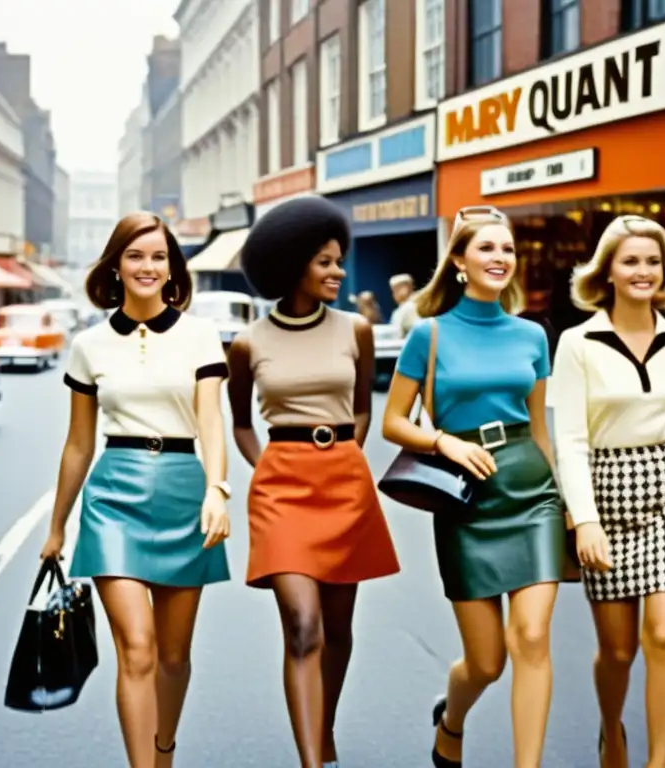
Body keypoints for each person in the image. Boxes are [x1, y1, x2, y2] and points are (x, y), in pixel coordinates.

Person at [39, 212, 231, 768]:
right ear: (116, 266)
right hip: (113, 500)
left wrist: (217, 489)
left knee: (174, 657)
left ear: (172, 268)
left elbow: (212, 424)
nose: (148, 267)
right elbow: (78, 445)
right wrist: (57, 526)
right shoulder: (89, 345)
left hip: (184, 493)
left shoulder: (200, 335)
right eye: (136, 256)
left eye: (159, 257)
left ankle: (163, 750)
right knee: (138, 649)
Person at [382, 206, 565, 768]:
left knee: (531, 637)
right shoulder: (429, 335)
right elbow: (394, 421)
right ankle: (452, 719)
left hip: (532, 494)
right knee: (486, 662)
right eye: (486, 248)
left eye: (507, 249)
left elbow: (541, 430)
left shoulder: (533, 334)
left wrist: (570, 505)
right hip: (465, 497)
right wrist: (445, 443)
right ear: (459, 261)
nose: (500, 258)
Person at [227, 196, 400, 768]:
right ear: (294, 263)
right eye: (326, 262)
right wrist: (266, 468)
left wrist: (346, 455)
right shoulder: (249, 342)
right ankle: (314, 762)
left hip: (344, 482)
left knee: (339, 628)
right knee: (302, 624)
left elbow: (361, 410)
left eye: (340, 260)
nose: (339, 272)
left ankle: (321, 730)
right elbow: (241, 422)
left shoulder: (357, 329)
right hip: (281, 486)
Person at [551, 215, 665, 768]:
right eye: (631, 261)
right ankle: (611, 731)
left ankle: (658, 763)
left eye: (652, 261)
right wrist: (584, 519)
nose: (643, 271)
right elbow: (569, 438)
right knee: (620, 650)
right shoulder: (577, 344)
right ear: (608, 272)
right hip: (606, 497)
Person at [388, 273, 420, 337]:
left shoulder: (411, 307)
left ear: (405, 288)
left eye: (395, 290)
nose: (393, 295)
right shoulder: (402, 308)